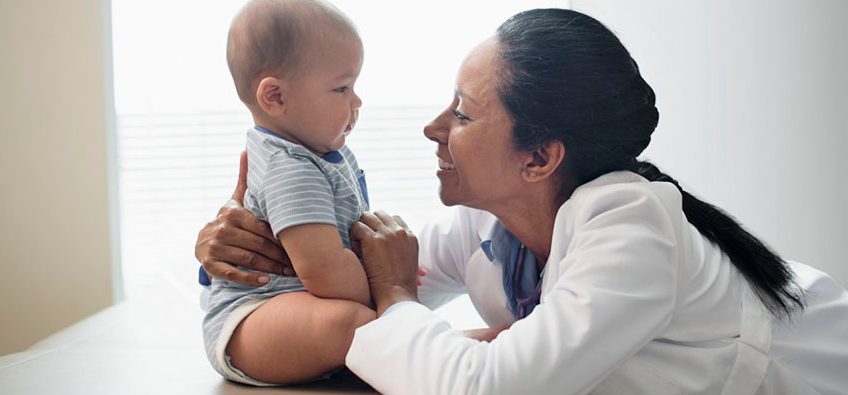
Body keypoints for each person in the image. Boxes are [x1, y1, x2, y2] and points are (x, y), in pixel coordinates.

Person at [196, 8, 848, 394]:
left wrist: (395, 292)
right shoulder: (489, 222)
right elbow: (352, 287)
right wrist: (246, 244)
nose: (433, 128)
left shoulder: (630, 223)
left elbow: (483, 385)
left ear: (539, 158)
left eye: (462, 113)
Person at [200, 0, 375, 386]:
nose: (357, 101)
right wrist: (391, 291)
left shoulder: (321, 152)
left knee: (363, 324)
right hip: (251, 318)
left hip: (294, 310)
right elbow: (324, 271)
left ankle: (421, 347)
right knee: (352, 323)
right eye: (342, 87)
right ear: (275, 97)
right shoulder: (290, 165)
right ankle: (427, 349)